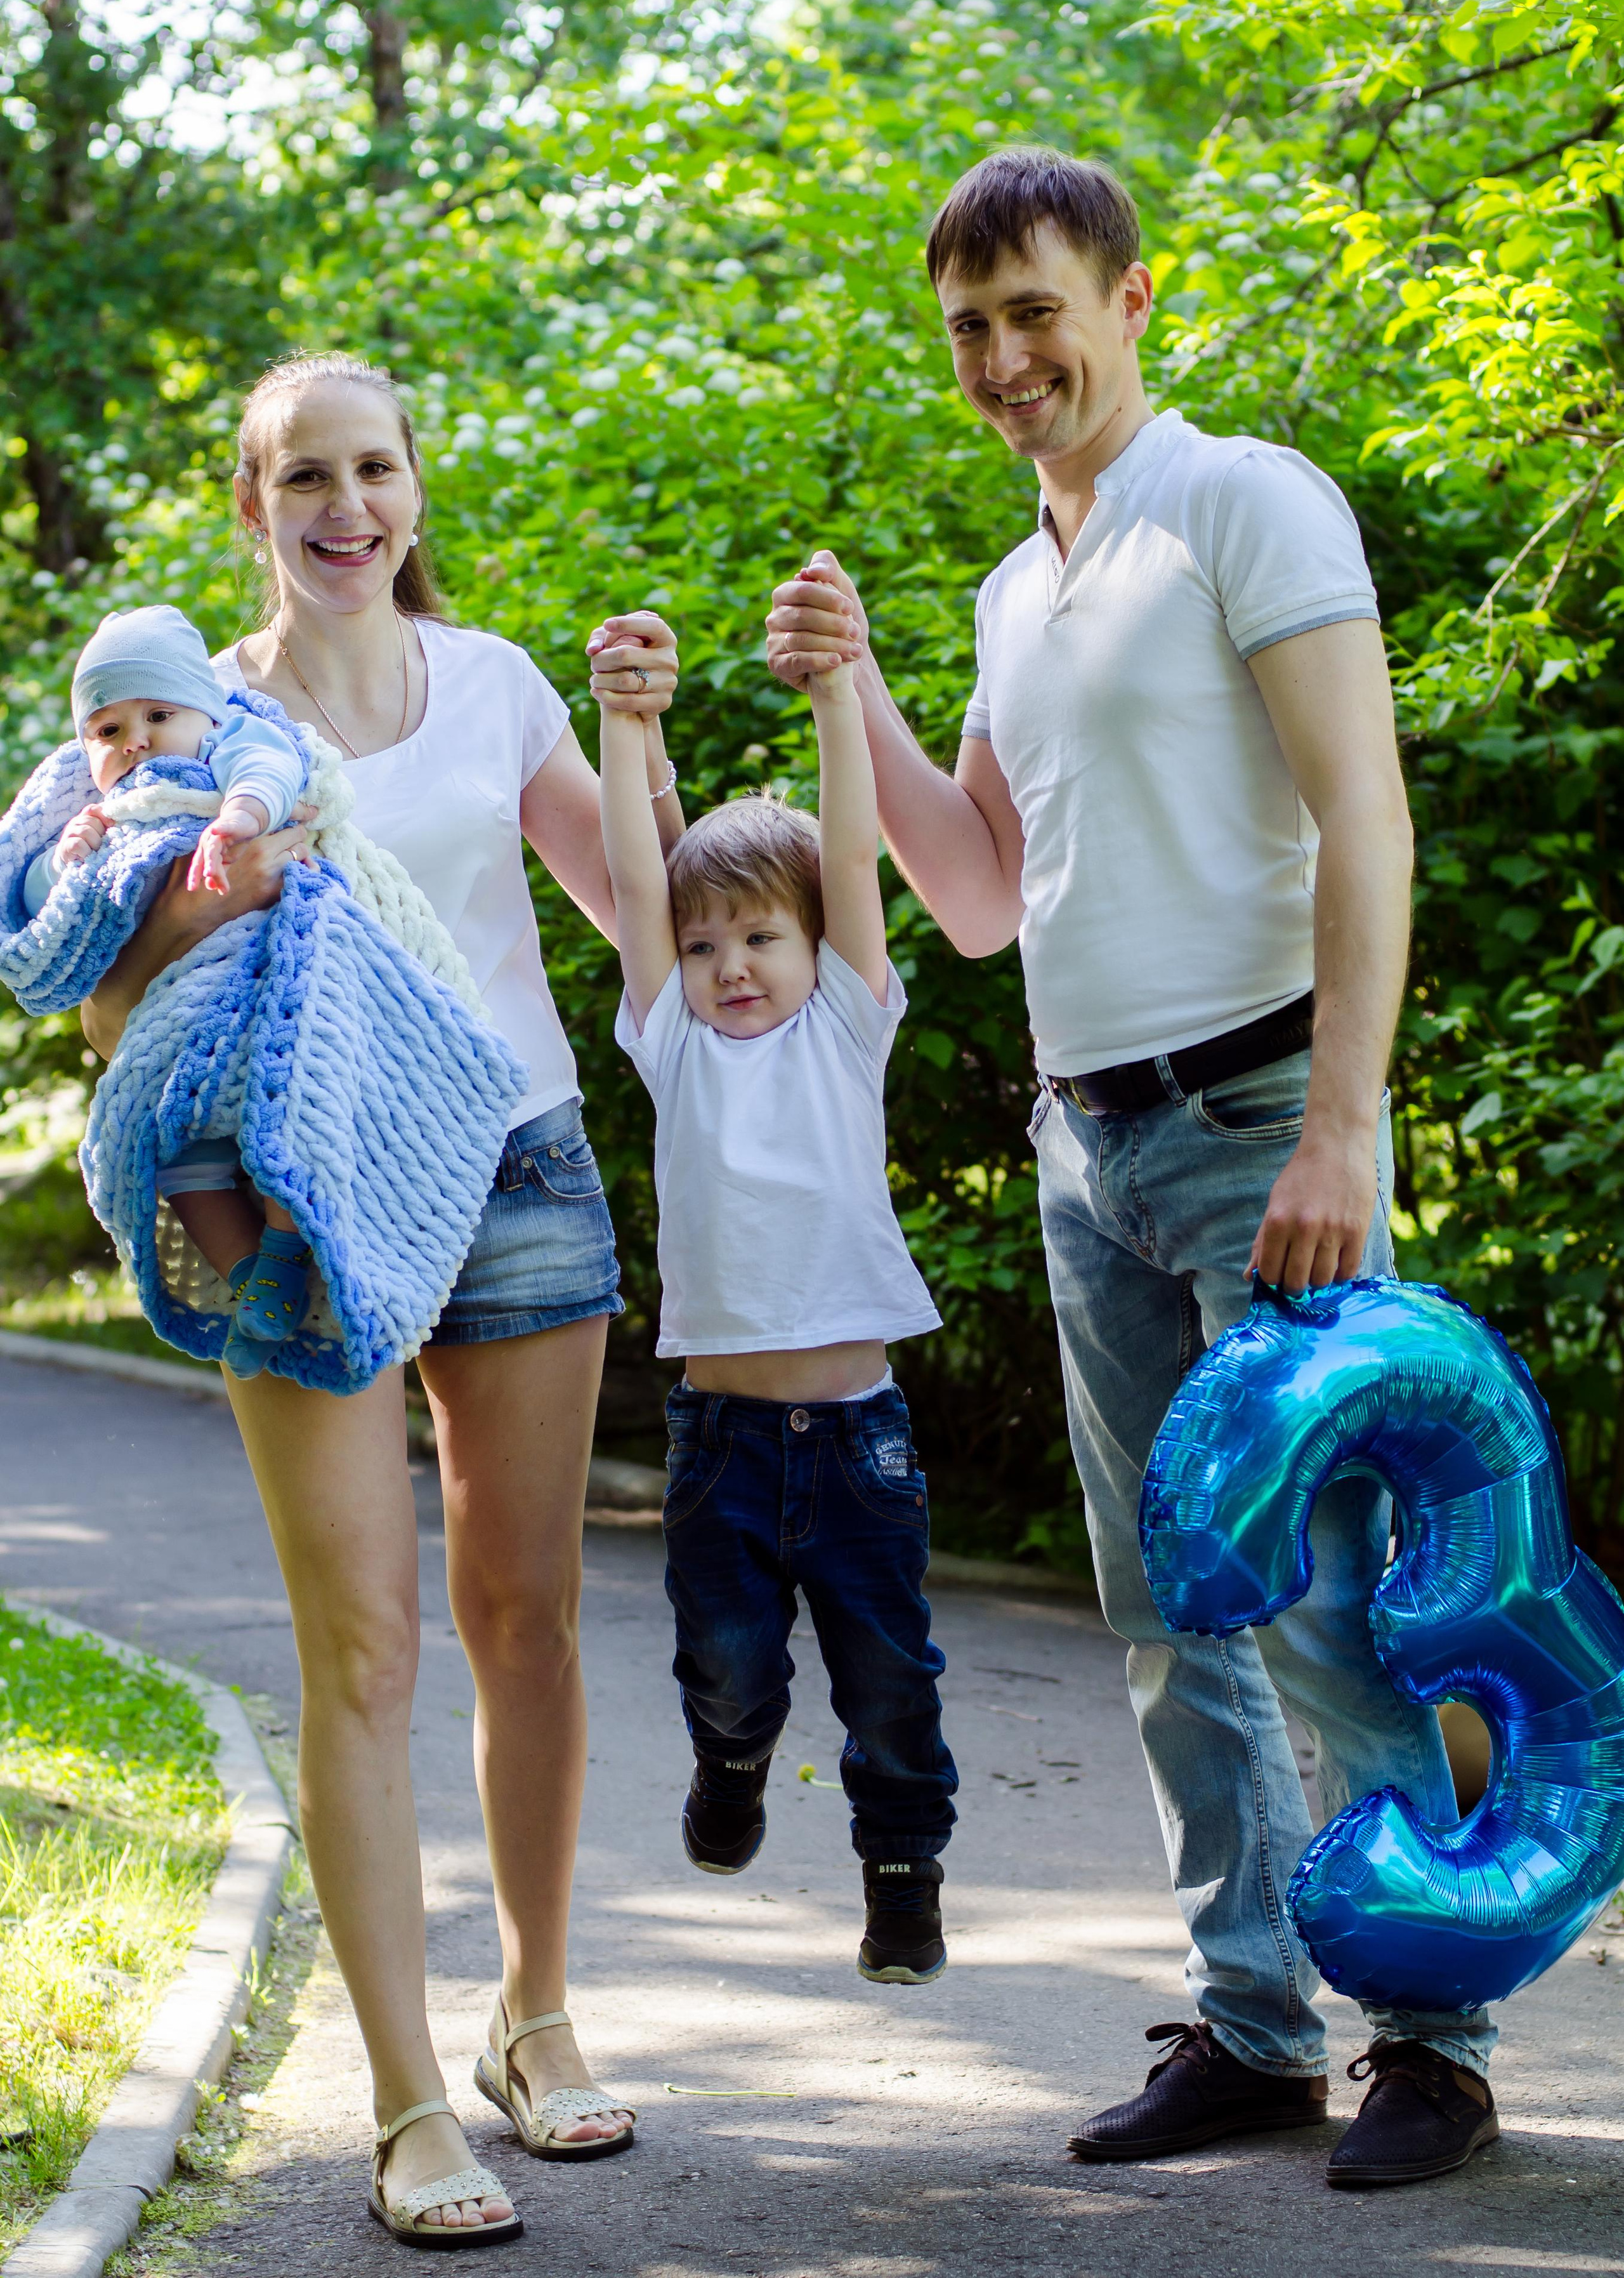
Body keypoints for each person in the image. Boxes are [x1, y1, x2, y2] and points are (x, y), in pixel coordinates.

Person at [765, 149, 1500, 2189]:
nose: (1004, 358)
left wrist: (1346, 1117)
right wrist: (861, 692)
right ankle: (1256, 2026)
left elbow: (1366, 813)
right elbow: (986, 895)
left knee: (1330, 1604)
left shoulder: (1240, 500)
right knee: (1177, 1613)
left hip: (1265, 1117)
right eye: (969, 330)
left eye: (1034, 310)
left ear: (1128, 297)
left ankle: (1425, 2036)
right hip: (1084, 1140)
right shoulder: (1021, 588)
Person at [81, 350, 683, 2246]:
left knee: (530, 1619)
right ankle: (410, 2099)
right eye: (307, 476)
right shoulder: (197, 725)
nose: (349, 504)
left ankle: (534, 2012)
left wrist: (637, 728)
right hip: (298, 1204)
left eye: (377, 467)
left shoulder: (494, 685)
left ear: (416, 486)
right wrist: (215, 881)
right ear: (251, 502)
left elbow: (641, 923)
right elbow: (115, 1011)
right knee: (365, 1646)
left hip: (512, 1169)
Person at [592, 591, 957, 1982]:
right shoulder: (672, 1048)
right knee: (727, 1668)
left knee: (890, 1685)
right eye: (702, 947)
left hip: (859, 1439)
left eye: (758, 939)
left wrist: (835, 695)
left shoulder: (844, 1031)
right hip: (723, 1442)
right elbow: (637, 876)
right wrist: (628, 728)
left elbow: (851, 853)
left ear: (814, 951)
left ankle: (902, 1875)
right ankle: (731, 1766)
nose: (727, 967)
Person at [23, 604, 319, 1357]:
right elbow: (41, 908)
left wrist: (238, 820)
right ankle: (257, 1285)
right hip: (171, 1036)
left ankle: (285, 1245)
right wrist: (69, 856)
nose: (137, 741)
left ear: (205, 717)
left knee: (292, 1113)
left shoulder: (225, 752)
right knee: (183, 1163)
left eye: (158, 713)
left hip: (258, 990)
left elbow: (272, 768)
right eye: (109, 729)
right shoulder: (102, 814)